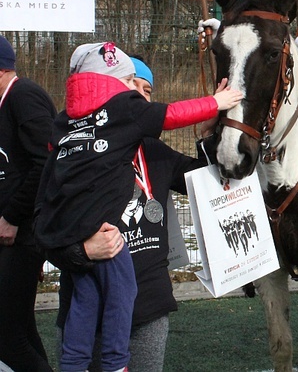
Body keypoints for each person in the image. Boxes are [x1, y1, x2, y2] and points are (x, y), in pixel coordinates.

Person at [34, 42, 242, 372]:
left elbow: (210, 179)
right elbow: (44, 224)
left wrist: (208, 136)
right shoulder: (73, 149)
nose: (140, 96)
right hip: (85, 302)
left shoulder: (156, 152)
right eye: (132, 85)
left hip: (146, 308)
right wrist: (83, 251)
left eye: (147, 90)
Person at [0, 36, 56, 371]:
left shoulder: (24, 96)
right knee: (20, 327)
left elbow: (46, 163)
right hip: (13, 233)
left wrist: (11, 216)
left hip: (26, 232)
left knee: (6, 332)